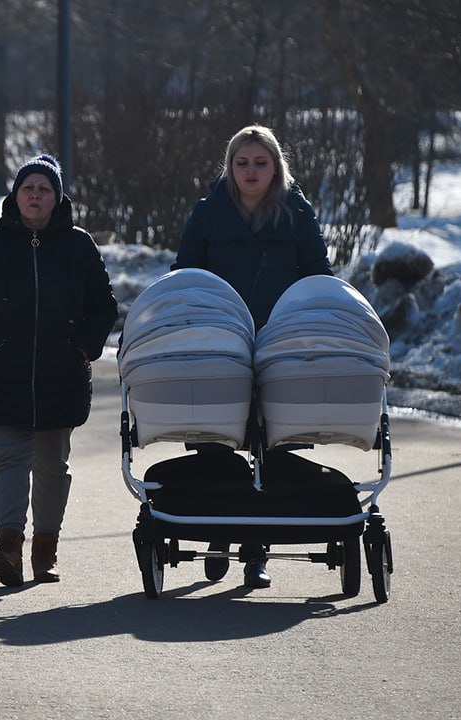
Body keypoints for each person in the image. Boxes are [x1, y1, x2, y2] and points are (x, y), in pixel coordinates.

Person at [171, 123, 335, 590]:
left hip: (280, 338)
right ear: (229, 166)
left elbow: (317, 273)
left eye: (260, 162)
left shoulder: (296, 210)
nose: (250, 171)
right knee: (216, 436)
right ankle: (219, 529)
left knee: (272, 441)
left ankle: (256, 550)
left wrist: (314, 323)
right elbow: (185, 273)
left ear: (275, 167)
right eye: (241, 162)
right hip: (220, 338)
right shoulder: (209, 212)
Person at [0, 155, 118, 586]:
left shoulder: (78, 245)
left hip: (62, 375)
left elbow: (103, 307)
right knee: (9, 459)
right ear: (16, 195)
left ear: (57, 198)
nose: (35, 196)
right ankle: (9, 548)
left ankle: (46, 549)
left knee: (52, 465)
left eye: (44, 189)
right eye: (28, 188)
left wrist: (84, 348)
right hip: (4, 374)